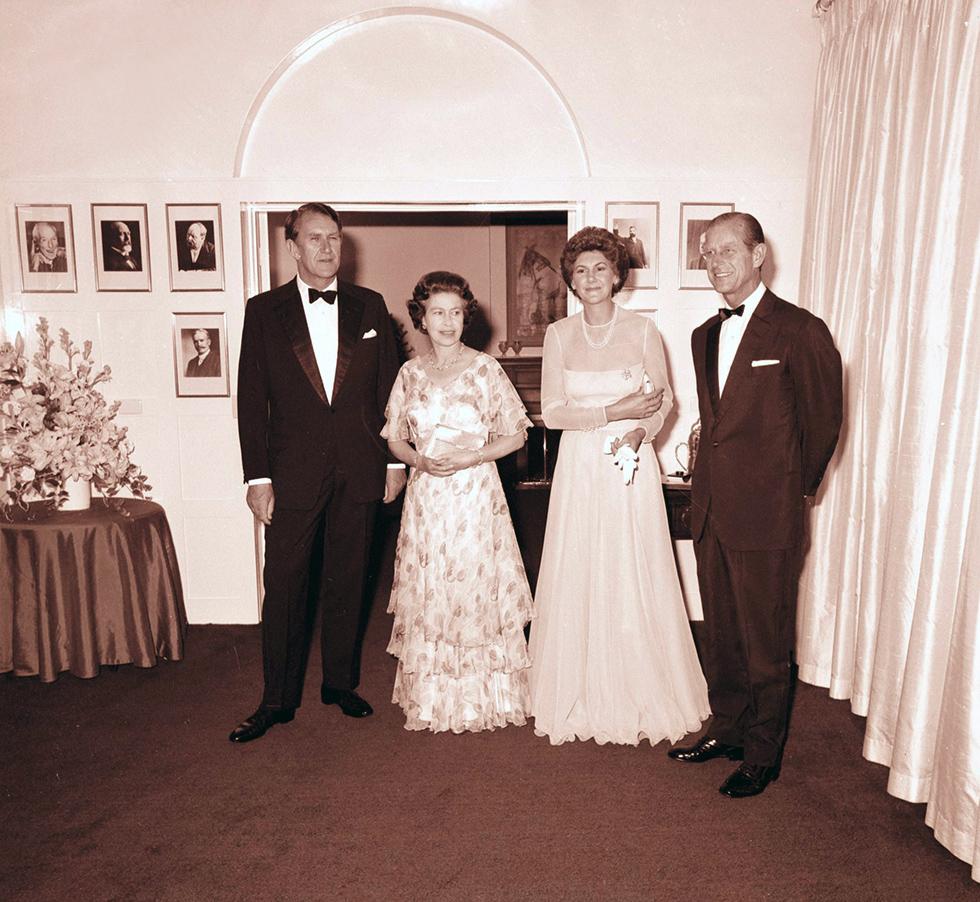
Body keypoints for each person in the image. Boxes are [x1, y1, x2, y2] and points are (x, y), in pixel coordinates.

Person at [668, 212, 842, 797]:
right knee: (721, 631)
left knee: (766, 640)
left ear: (759, 254)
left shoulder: (800, 330)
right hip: (713, 507)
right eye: (707, 252)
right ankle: (730, 727)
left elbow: (823, 425)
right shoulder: (703, 336)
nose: (715, 261)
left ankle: (763, 752)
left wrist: (795, 492)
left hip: (769, 511)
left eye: (727, 250)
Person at [232, 202, 406, 743]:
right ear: (293, 246)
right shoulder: (263, 311)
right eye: (315, 238)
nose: (327, 248)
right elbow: (251, 401)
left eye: (334, 237)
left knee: (349, 580)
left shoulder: (371, 306)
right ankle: (276, 701)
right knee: (283, 583)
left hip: (360, 468)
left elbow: (389, 392)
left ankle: (340, 684)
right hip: (291, 474)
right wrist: (257, 478)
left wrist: (396, 460)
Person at [529, 226, 709, 747]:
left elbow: (665, 400)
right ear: (570, 278)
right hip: (580, 467)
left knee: (631, 564)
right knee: (581, 563)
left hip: (630, 464)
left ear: (617, 276)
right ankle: (577, 687)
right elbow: (555, 413)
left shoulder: (644, 331)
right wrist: (616, 410)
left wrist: (638, 431)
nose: (590, 279)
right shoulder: (559, 335)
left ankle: (639, 682)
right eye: (581, 270)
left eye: (600, 269)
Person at [383, 271, 533, 733]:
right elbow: (395, 440)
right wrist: (418, 461)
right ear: (421, 319)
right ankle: (432, 700)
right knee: (433, 591)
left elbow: (516, 434)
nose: (448, 322)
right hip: (428, 499)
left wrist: (475, 454)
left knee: (474, 588)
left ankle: (483, 698)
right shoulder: (409, 374)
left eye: (455, 312)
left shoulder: (486, 369)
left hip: (475, 497)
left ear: (466, 317)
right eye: (437, 313)